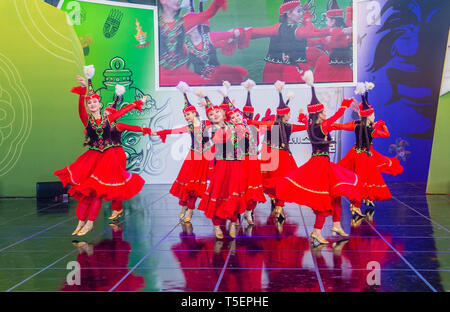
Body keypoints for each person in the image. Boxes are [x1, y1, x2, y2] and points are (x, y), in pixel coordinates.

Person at [54, 66, 149, 236]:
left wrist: (137, 103)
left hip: (109, 158)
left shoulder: (108, 118)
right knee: (87, 191)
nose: (91, 105)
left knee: (97, 191)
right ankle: (81, 222)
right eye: (89, 103)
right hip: (93, 157)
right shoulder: (87, 119)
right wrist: (83, 92)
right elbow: (80, 110)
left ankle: (90, 223)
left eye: (94, 102)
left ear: (99, 104)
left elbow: (122, 111)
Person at [275, 70, 361, 245]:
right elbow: (335, 117)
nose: (325, 113)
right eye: (322, 111)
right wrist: (343, 105)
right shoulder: (321, 126)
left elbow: (313, 121)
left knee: (335, 193)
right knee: (323, 198)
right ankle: (316, 231)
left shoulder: (311, 125)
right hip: (320, 165)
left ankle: (336, 224)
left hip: (322, 163)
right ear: (318, 114)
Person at [236, 0, 351, 83]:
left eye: (301, 11)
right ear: (288, 13)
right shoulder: (294, 30)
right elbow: (257, 32)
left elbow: (314, 32)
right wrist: (236, 35)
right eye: (298, 11)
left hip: (285, 68)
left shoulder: (281, 27)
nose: (300, 14)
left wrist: (239, 34)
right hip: (285, 70)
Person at [331, 82, 402, 217]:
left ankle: (364, 199)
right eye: (373, 115)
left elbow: (340, 126)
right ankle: (355, 205)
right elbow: (386, 134)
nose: (374, 117)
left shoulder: (355, 124)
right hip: (365, 156)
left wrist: (330, 125)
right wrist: (382, 125)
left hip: (355, 153)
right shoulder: (372, 129)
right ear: (368, 116)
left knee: (360, 178)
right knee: (363, 179)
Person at [155, 81, 213, 222]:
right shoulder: (190, 128)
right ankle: (184, 206)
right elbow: (173, 130)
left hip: (205, 157)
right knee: (187, 183)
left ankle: (190, 210)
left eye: (188, 115)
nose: (186, 118)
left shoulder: (206, 123)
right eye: (185, 116)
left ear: (194, 113)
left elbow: (214, 114)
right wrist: (160, 132)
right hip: (192, 157)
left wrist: (206, 99)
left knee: (195, 185)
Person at [196, 90, 246, 239]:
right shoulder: (212, 129)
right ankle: (217, 224)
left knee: (233, 194)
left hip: (236, 166)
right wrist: (207, 99)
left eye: (217, 112)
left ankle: (232, 221)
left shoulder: (233, 125)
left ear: (223, 113)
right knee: (218, 194)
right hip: (222, 166)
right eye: (211, 115)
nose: (215, 115)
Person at [158, 0, 227, 86]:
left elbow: (210, 12)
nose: (178, 1)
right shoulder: (154, 24)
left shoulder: (185, 22)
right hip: (161, 77)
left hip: (182, 76)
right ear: (163, 1)